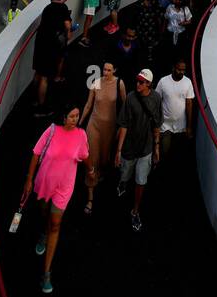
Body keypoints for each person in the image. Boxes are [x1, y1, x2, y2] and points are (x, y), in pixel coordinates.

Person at [21, 98, 92, 293]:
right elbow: (36, 153)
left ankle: (46, 273)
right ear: (64, 117)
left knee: (55, 223)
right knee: (44, 213)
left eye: (77, 116)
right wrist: (29, 180)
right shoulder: (51, 131)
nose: (75, 119)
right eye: (71, 116)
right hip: (44, 183)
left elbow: (85, 155)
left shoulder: (81, 135)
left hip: (64, 188)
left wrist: (91, 170)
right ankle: (43, 234)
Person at [114, 68, 162, 232]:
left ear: (149, 84)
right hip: (129, 148)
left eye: (141, 82)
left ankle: (135, 210)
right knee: (125, 173)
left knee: (141, 181)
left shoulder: (156, 98)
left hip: (146, 149)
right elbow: (124, 125)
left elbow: (157, 124)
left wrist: (156, 147)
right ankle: (123, 182)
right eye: (137, 81)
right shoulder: (130, 98)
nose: (138, 84)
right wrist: (119, 150)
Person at [80, 61, 126, 214]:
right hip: (94, 125)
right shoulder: (96, 82)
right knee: (92, 159)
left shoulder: (119, 83)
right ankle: (90, 199)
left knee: (105, 158)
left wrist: (122, 127)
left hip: (110, 128)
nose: (105, 72)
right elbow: (88, 104)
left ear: (114, 70)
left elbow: (124, 105)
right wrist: (79, 124)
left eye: (109, 70)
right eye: (104, 69)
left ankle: (100, 175)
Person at [32, 0, 72, 113]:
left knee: (38, 72)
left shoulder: (46, 9)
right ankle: (41, 106)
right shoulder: (63, 7)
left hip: (40, 42)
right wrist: (69, 33)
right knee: (45, 76)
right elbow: (67, 24)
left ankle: (33, 98)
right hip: (50, 44)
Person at [156, 58, 195, 162]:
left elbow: (189, 104)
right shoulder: (163, 81)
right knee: (164, 151)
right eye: (179, 69)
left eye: (183, 70)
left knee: (177, 153)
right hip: (165, 125)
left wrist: (189, 126)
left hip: (181, 126)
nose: (181, 72)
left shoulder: (188, 82)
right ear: (173, 68)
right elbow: (156, 101)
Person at [128, 0, 166, 70]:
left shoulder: (156, 3)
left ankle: (149, 61)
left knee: (150, 49)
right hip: (140, 30)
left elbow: (161, 16)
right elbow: (134, 15)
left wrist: (160, 30)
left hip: (151, 31)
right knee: (139, 48)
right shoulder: (140, 1)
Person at [163, 0, 192, 70]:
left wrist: (184, 23)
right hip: (170, 34)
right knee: (169, 52)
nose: (174, 1)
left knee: (179, 53)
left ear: (181, 0)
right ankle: (169, 68)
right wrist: (163, 30)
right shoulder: (170, 7)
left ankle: (178, 68)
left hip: (180, 35)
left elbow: (190, 20)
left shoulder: (185, 9)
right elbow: (165, 18)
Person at [109, 26, 141, 92]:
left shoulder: (137, 47)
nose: (130, 39)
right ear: (123, 35)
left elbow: (138, 64)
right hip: (117, 79)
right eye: (128, 36)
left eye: (133, 37)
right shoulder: (115, 46)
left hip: (131, 81)